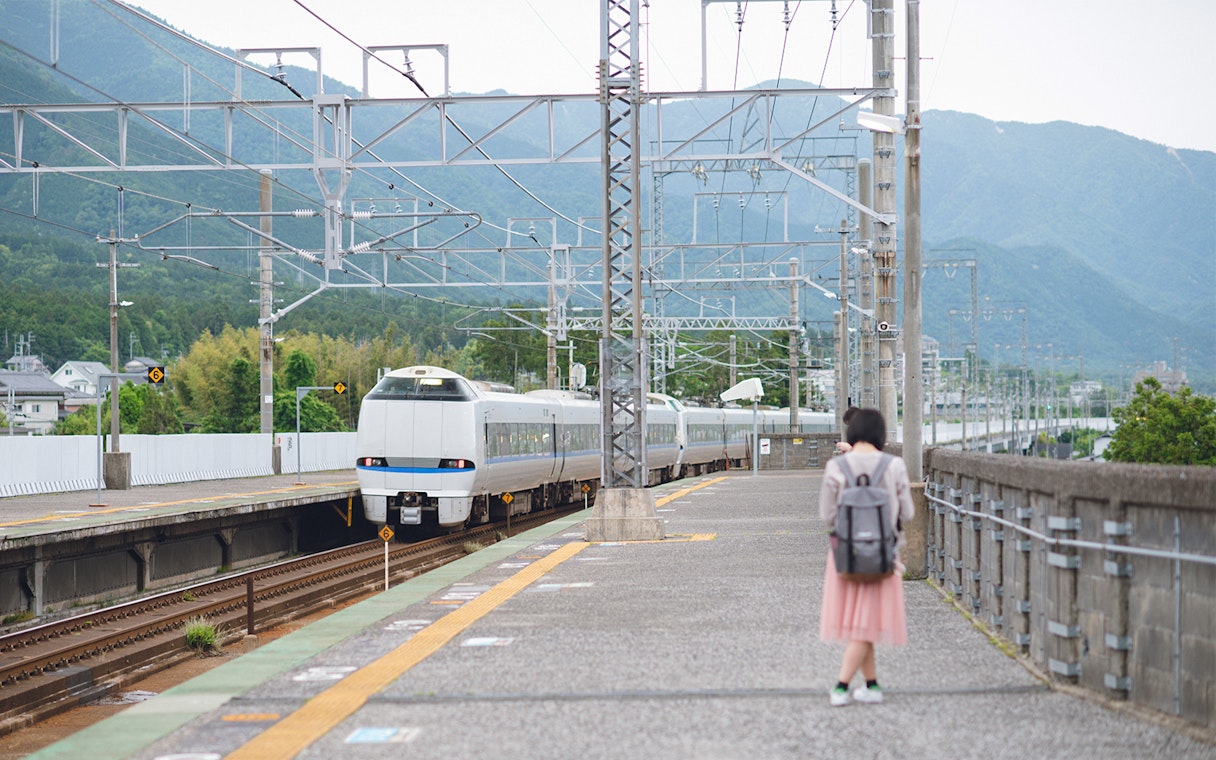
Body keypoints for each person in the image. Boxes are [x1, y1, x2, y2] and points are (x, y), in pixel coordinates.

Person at [818, 407, 915, 706]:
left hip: (846, 556)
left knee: (861, 622)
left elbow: (826, 515)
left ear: (853, 432)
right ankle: (843, 687)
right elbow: (909, 512)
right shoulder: (894, 466)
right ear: (880, 435)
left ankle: (865, 686)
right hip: (882, 556)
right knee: (866, 622)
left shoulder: (837, 467)